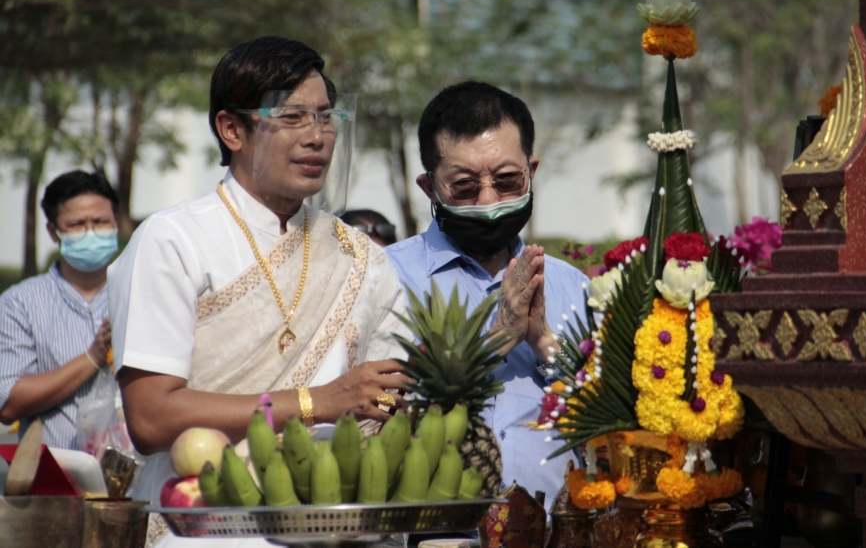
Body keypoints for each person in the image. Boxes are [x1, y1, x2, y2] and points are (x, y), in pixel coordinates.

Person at [108, 36, 411, 547]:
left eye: (326, 117)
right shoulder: (174, 239)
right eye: (292, 117)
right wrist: (318, 402)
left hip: (337, 524)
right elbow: (151, 417)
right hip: (204, 528)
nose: (317, 136)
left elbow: (387, 400)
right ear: (232, 129)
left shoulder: (362, 257)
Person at [385, 81, 588, 510]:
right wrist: (497, 339)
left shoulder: (573, 288)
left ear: (531, 172)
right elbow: (378, 413)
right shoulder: (384, 280)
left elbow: (609, 416)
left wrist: (545, 343)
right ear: (429, 188)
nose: (489, 201)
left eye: (508, 181)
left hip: (560, 531)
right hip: (434, 531)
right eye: (463, 186)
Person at [0, 170, 118, 449]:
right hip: (55, 471)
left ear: (116, 223)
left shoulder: (143, 293)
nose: (91, 232)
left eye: (100, 222)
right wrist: (93, 357)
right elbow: (8, 403)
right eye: (77, 224)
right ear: (54, 232)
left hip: (137, 472)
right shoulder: (20, 303)